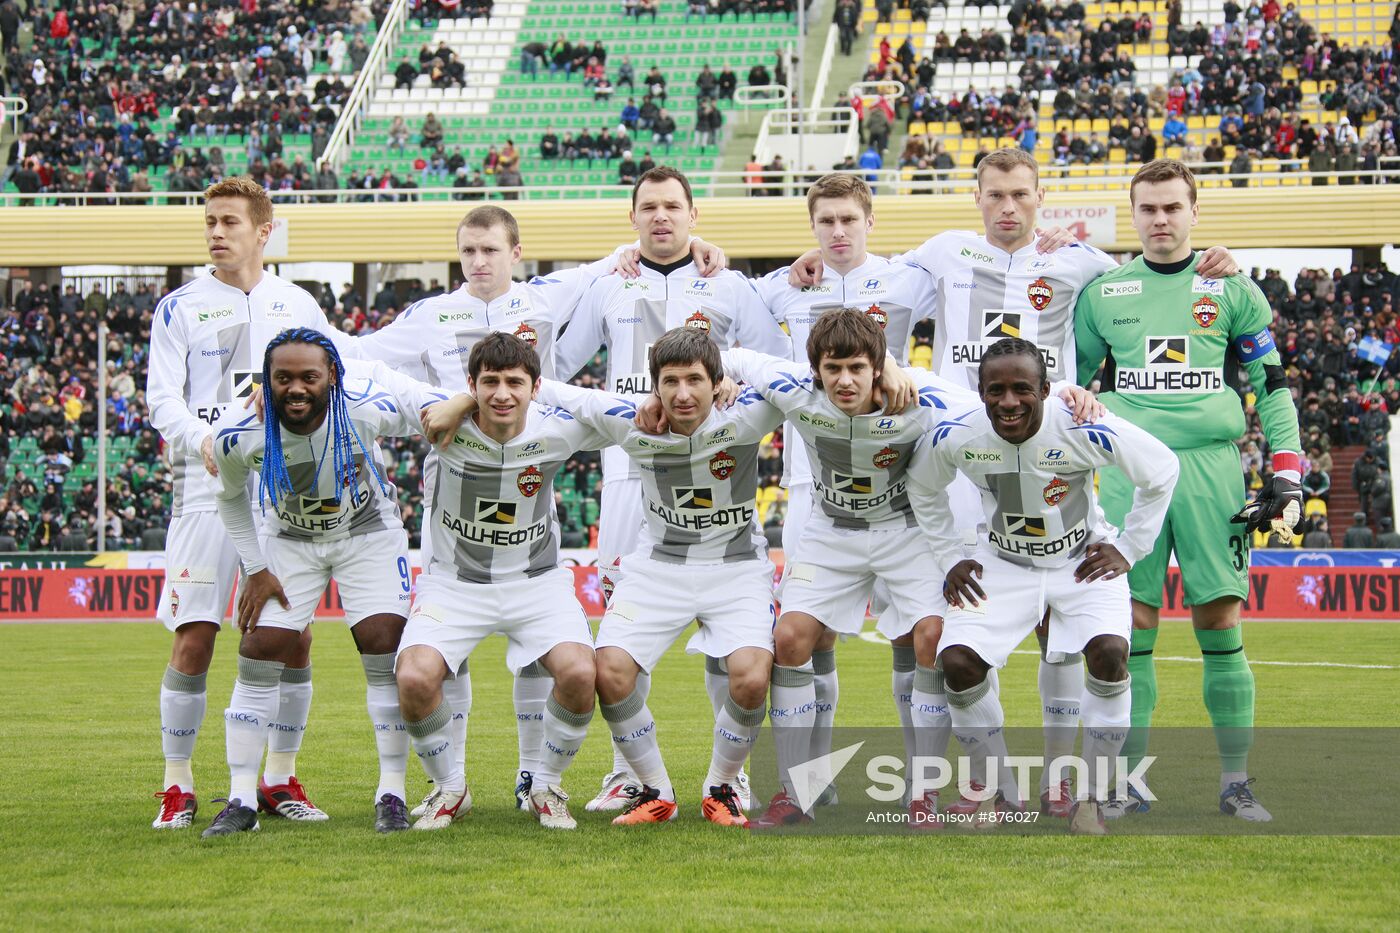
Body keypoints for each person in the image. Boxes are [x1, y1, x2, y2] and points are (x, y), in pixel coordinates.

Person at [786, 148, 1235, 814]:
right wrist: (814, 263)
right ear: (976, 196)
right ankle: (980, 780)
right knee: (943, 627)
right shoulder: (943, 252)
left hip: (1049, 443)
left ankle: (1060, 778)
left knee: (1063, 623)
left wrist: (1214, 258)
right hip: (962, 452)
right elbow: (864, 272)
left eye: (1020, 195)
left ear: (1040, 196)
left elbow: (1154, 279)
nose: (1007, 208)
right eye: (995, 195)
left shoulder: (1082, 262)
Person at [352, 205, 726, 814]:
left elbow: (617, 265)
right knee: (426, 672)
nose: (478, 263)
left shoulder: (547, 307)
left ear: (514, 252)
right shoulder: (429, 329)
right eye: (467, 252)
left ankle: (539, 780)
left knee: (565, 667)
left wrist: (665, 399)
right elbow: (363, 363)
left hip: (532, 554)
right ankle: (451, 785)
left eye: (490, 251)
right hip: (453, 541)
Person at [553, 167, 792, 811]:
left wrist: (736, 382)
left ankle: (731, 774)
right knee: (623, 628)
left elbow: (778, 361)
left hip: (712, 456)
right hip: (632, 466)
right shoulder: (609, 282)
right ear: (633, 218)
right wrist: (623, 408)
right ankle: (628, 772)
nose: (661, 217)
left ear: (693, 214)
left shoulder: (727, 283)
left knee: (731, 643)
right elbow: (558, 366)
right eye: (649, 208)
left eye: (672, 207)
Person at [1076, 159, 1302, 821]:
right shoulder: (1104, 293)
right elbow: (1071, 385)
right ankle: (1127, 778)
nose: (1160, 219)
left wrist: (1285, 471)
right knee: (1128, 626)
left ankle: (1235, 782)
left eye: (1173, 207)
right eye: (1147, 208)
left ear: (1194, 212)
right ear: (1133, 213)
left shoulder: (1233, 288)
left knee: (1219, 618)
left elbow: (1274, 388)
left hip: (1211, 470)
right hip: (1128, 473)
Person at [201, 330, 469, 836]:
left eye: (309, 377)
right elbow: (228, 498)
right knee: (261, 649)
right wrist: (256, 568)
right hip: (288, 540)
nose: (296, 388)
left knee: (382, 648)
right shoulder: (241, 433)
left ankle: (391, 792)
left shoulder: (366, 408)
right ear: (266, 381)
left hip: (366, 535)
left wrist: (462, 400)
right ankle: (239, 798)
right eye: (283, 378)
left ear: (333, 378)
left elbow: (435, 408)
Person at [907, 338, 1177, 833]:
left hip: (1081, 561)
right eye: (996, 391)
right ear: (982, 393)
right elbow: (922, 486)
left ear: (1047, 391)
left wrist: (1131, 549)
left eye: (1021, 390)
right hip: (1002, 562)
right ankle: (993, 793)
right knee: (958, 662)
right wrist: (950, 557)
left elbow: (1161, 470)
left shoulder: (1081, 425)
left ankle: (1090, 801)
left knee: (1111, 653)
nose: (1008, 402)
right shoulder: (960, 435)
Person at [146, 177, 349, 831]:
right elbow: (160, 399)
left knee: (292, 638)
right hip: (205, 492)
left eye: (230, 221)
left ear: (264, 231)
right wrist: (204, 437)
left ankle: (278, 777)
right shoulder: (178, 306)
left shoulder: (300, 304)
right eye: (210, 221)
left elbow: (332, 383)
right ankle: (177, 785)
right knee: (195, 636)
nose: (215, 231)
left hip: (285, 495)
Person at [541, 328, 784, 827]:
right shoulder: (632, 422)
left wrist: (737, 367)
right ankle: (657, 791)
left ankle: (721, 788)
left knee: (753, 675)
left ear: (716, 384)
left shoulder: (746, 414)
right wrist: (462, 403)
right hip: (658, 567)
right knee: (608, 671)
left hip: (735, 567)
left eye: (695, 380)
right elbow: (550, 388)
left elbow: (804, 379)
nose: (682, 394)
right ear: (654, 388)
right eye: (669, 381)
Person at [393, 334, 610, 831]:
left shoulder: (559, 430)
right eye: (489, 382)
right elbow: (373, 381)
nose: (502, 394)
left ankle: (545, 784)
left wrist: (723, 381)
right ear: (469, 385)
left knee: (580, 674)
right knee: (414, 677)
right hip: (454, 584)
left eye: (515, 382)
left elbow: (632, 412)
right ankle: (450, 789)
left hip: (537, 583)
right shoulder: (440, 422)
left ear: (536, 387)